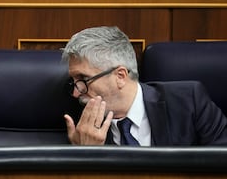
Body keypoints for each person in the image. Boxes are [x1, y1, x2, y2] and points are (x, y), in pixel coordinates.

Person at [62, 26, 227, 146]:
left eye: (84, 79)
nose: (76, 93)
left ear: (120, 76)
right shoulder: (79, 125)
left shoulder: (189, 101)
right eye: (74, 82)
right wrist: (87, 154)